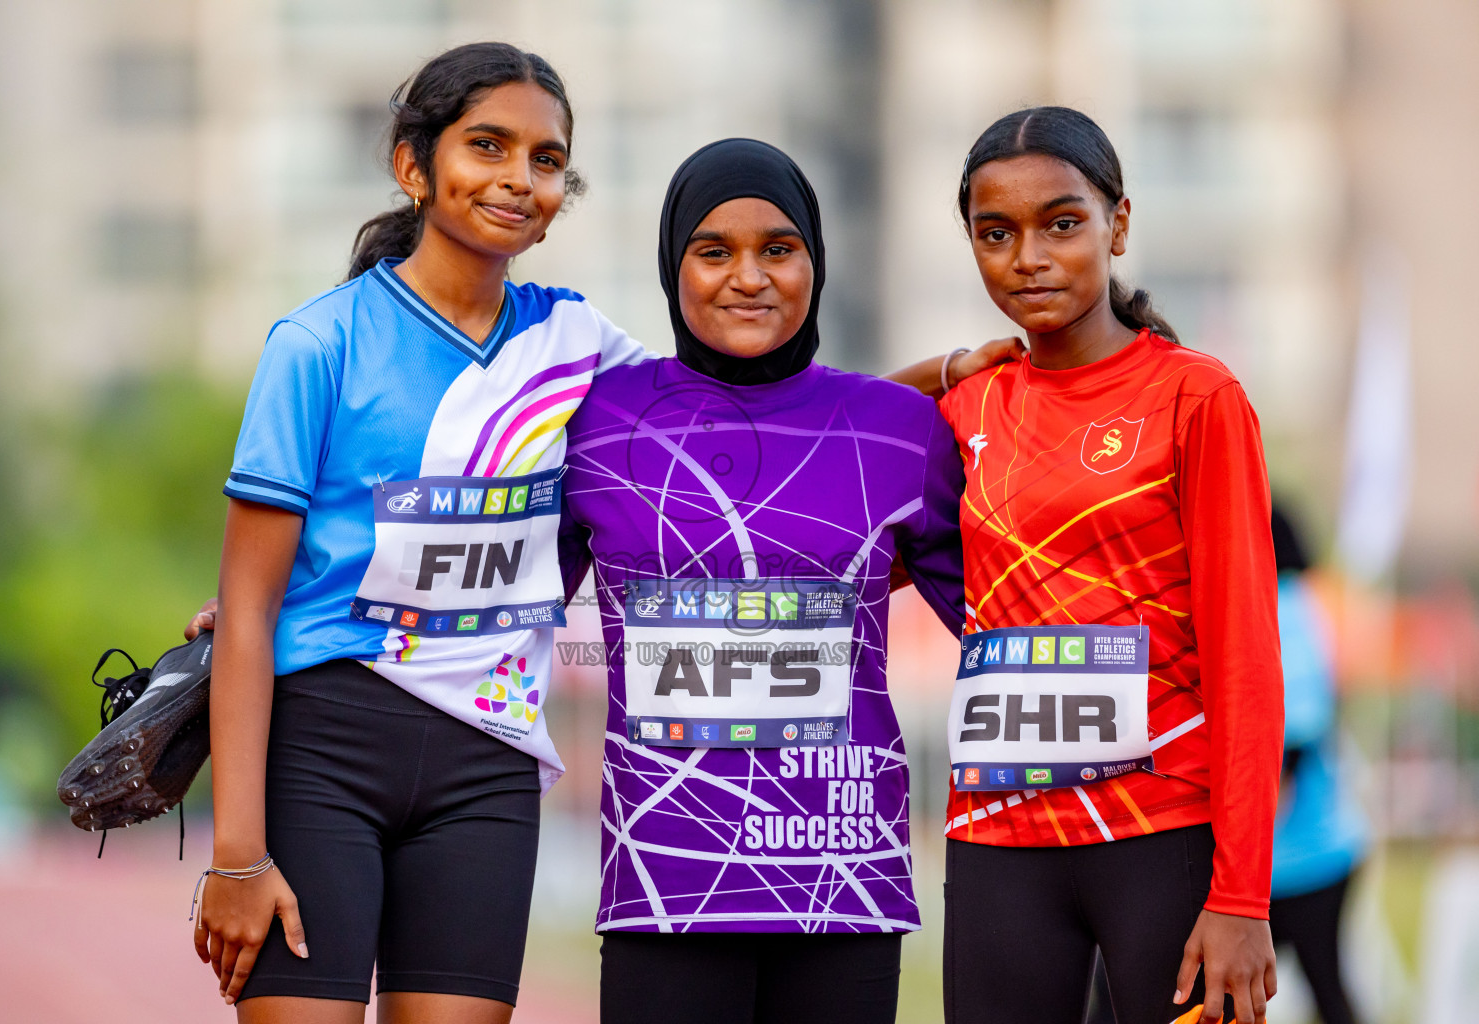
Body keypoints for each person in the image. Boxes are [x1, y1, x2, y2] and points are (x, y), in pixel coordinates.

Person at [188, 42, 652, 1024]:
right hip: (321, 751)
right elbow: (248, 609)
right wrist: (237, 855)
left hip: (487, 765)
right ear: (415, 166)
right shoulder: (316, 344)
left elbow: (735, 412)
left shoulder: (576, 344)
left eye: (545, 159)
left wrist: (938, 380)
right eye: (488, 146)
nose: (519, 179)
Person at [558, 138, 970, 1024]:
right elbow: (491, 604)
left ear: (815, 264)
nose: (749, 276)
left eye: (778, 249)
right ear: (674, 268)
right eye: (715, 251)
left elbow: (1007, 615)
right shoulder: (596, 420)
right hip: (664, 880)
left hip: (842, 878)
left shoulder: (902, 429)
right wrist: (285, 611)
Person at [930, 107, 1283, 1024]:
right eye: (995, 233)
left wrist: (1242, 898)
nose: (1030, 258)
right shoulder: (969, 407)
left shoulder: (1196, 397)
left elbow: (1246, 660)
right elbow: (838, 447)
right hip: (998, 833)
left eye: (1062, 223)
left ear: (1118, 224)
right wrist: (945, 368)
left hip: (1162, 834)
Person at [1268, 505, 1366, 1024]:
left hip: (1300, 858)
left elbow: (1296, 734)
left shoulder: (1283, 606)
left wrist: (1245, 840)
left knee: (1325, 995)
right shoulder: (1305, 603)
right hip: (1314, 852)